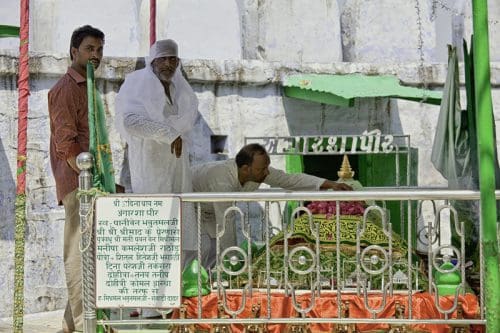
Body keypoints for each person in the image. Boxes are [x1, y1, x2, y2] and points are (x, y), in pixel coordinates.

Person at [114, 39, 198, 318]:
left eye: (174, 59)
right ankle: (148, 306)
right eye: (163, 59)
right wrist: (167, 134)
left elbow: (186, 122)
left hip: (177, 169)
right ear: (152, 61)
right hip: (150, 170)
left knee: (178, 233)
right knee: (153, 234)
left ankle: (170, 299)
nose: (169, 65)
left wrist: (175, 134)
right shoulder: (137, 82)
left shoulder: (180, 88)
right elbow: (130, 121)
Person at [191, 143, 352, 268]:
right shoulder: (221, 178)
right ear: (246, 169)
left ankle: (211, 292)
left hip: (211, 212)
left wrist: (330, 184)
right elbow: (226, 222)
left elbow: (289, 179)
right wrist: (235, 261)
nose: (267, 173)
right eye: (262, 169)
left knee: (212, 255)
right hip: (190, 209)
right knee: (199, 251)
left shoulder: (257, 170)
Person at [48, 25, 105, 333]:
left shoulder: (88, 86)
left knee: (88, 252)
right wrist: (86, 181)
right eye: (89, 49)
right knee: (77, 253)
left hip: (92, 181)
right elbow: (66, 141)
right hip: (78, 183)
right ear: (74, 52)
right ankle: (85, 324)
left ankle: (71, 324)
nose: (95, 54)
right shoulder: (66, 88)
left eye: (99, 49)